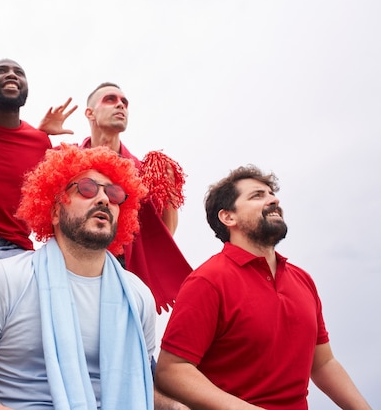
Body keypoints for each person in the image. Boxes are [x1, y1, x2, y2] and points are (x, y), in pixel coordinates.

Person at [0, 143, 164, 410]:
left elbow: (141, 383)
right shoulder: (8, 279)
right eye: (87, 188)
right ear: (55, 211)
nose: (104, 199)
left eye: (115, 193)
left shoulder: (138, 296)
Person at [155, 165, 372, 409]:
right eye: (257, 195)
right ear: (228, 217)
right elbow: (171, 370)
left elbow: (323, 363)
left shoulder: (303, 280)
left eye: (271, 194)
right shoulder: (207, 281)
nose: (273, 199)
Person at [0, 58, 76, 290]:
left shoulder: (39, 141)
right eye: (1, 71)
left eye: (19, 72)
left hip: (18, 254)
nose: (12, 75)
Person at [80, 82, 192, 313]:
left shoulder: (144, 170)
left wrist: (168, 192)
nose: (120, 104)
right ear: (90, 112)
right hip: (73, 266)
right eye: (110, 99)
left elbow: (164, 232)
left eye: (124, 102)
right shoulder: (65, 159)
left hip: (124, 275)